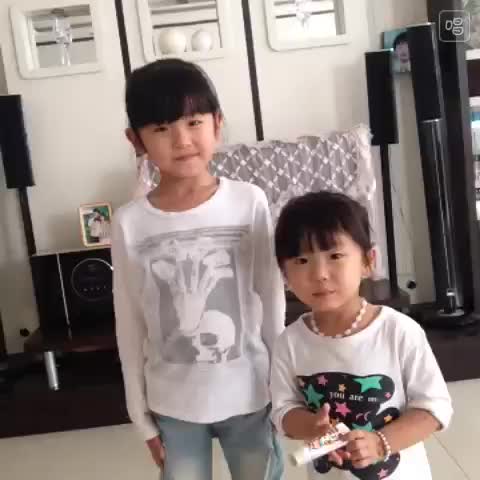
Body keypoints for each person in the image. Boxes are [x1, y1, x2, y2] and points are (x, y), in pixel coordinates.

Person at [111, 58, 286, 480]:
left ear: (217, 123)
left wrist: (284, 388)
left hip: (251, 394)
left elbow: (271, 296)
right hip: (172, 405)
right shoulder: (130, 221)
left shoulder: (248, 201)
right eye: (161, 128)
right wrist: (140, 415)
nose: (182, 140)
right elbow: (129, 322)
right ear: (136, 140)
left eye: (193, 122)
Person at [270, 191, 452, 479]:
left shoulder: (399, 331)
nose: (320, 274)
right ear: (284, 275)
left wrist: (380, 443)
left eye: (335, 256)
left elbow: (434, 409)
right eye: (302, 261)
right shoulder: (289, 343)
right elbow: (283, 411)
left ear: (368, 261)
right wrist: (311, 426)